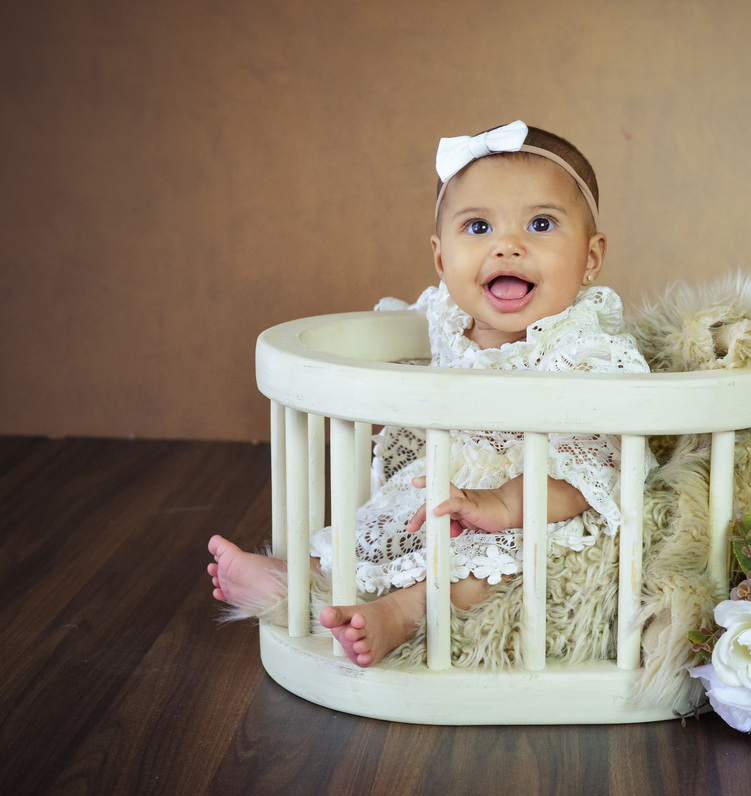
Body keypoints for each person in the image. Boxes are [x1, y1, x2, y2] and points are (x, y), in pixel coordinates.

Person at [207, 120, 651, 667]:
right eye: (478, 227)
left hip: (540, 505)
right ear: (442, 260)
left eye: (540, 224)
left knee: (490, 567)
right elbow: (384, 344)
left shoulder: (587, 350)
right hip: (447, 483)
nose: (507, 247)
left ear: (591, 257)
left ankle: (400, 614)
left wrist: (500, 506)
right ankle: (298, 578)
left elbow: (594, 472)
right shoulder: (442, 316)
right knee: (376, 528)